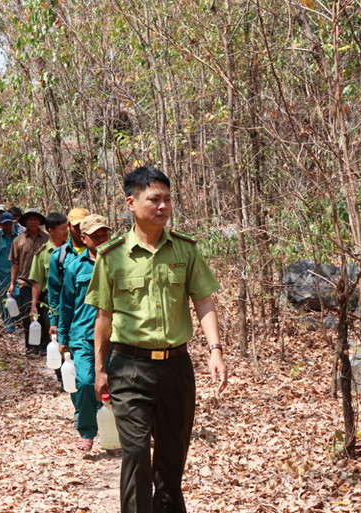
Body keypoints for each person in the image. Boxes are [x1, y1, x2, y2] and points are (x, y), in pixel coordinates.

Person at [85, 166, 228, 513]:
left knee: (171, 457)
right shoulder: (112, 255)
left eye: (167, 199)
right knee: (135, 454)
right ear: (131, 203)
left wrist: (215, 350)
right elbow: (103, 316)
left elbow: (204, 300)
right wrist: (100, 369)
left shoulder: (185, 250)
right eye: (154, 199)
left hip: (176, 368)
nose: (163, 206)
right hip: (129, 367)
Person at [58, 214, 112, 453]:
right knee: (87, 381)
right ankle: (88, 431)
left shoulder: (119, 262)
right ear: (84, 238)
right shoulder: (74, 266)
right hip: (82, 335)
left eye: (104, 235)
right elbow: (66, 304)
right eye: (95, 236)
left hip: (114, 335)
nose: (101, 240)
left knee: (114, 386)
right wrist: (62, 337)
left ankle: (114, 434)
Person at [8, 208, 49, 352]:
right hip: (25, 282)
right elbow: (15, 263)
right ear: (24, 221)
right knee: (27, 311)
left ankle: (44, 345)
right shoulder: (18, 241)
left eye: (36, 219)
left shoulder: (47, 239)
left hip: (44, 283)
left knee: (43, 313)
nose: (33, 221)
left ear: (40, 221)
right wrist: (12, 283)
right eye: (30, 219)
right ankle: (31, 345)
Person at [28, 212, 70, 352]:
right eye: (63, 228)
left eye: (67, 227)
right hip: (50, 301)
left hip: (71, 298)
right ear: (51, 231)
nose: (67, 231)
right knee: (55, 336)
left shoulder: (73, 249)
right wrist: (34, 306)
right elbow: (37, 282)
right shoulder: (43, 253)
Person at [47, 208, 89, 338]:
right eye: (76, 226)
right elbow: (54, 290)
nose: (80, 230)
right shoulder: (59, 255)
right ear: (69, 227)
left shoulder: (99, 252)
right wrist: (54, 321)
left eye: (84, 226)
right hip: (68, 317)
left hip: (92, 317)